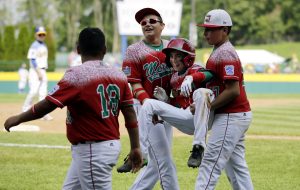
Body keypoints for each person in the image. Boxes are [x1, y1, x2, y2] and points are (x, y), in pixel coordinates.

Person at [4, 27, 142, 189]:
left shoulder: (76, 75)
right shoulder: (118, 75)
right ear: (104, 50)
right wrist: (135, 146)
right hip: (106, 146)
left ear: (78, 49)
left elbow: (48, 104)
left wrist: (19, 118)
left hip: (92, 150)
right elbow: (130, 114)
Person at [136, 38, 214, 189]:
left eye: (178, 56)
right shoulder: (173, 78)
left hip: (203, 120)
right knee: (149, 103)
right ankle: (142, 153)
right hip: (186, 118)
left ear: (188, 58)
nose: (173, 60)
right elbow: (179, 105)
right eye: (171, 56)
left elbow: (210, 74)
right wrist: (166, 100)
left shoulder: (195, 69)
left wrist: (191, 77)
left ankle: (198, 148)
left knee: (202, 92)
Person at [195, 9, 254, 189]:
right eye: (205, 29)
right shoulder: (218, 50)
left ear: (225, 30)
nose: (206, 33)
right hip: (236, 115)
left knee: (210, 164)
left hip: (231, 115)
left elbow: (233, 90)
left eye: (211, 29)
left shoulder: (225, 53)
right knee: (237, 169)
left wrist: (207, 106)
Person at [119, 7, 174, 189]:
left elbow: (180, 76)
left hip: (165, 106)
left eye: (152, 21)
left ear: (162, 26)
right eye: (143, 23)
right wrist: (149, 105)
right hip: (143, 105)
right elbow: (134, 84)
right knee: (162, 158)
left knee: (160, 160)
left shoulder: (172, 48)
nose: (147, 24)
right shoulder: (134, 50)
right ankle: (138, 152)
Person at [22, 26, 52, 120]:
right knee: (33, 91)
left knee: (43, 92)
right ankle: (25, 109)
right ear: (36, 35)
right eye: (40, 34)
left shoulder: (44, 45)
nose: (42, 36)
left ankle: (42, 113)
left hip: (42, 70)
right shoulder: (34, 45)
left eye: (43, 34)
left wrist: (42, 71)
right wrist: (38, 71)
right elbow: (33, 59)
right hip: (35, 71)